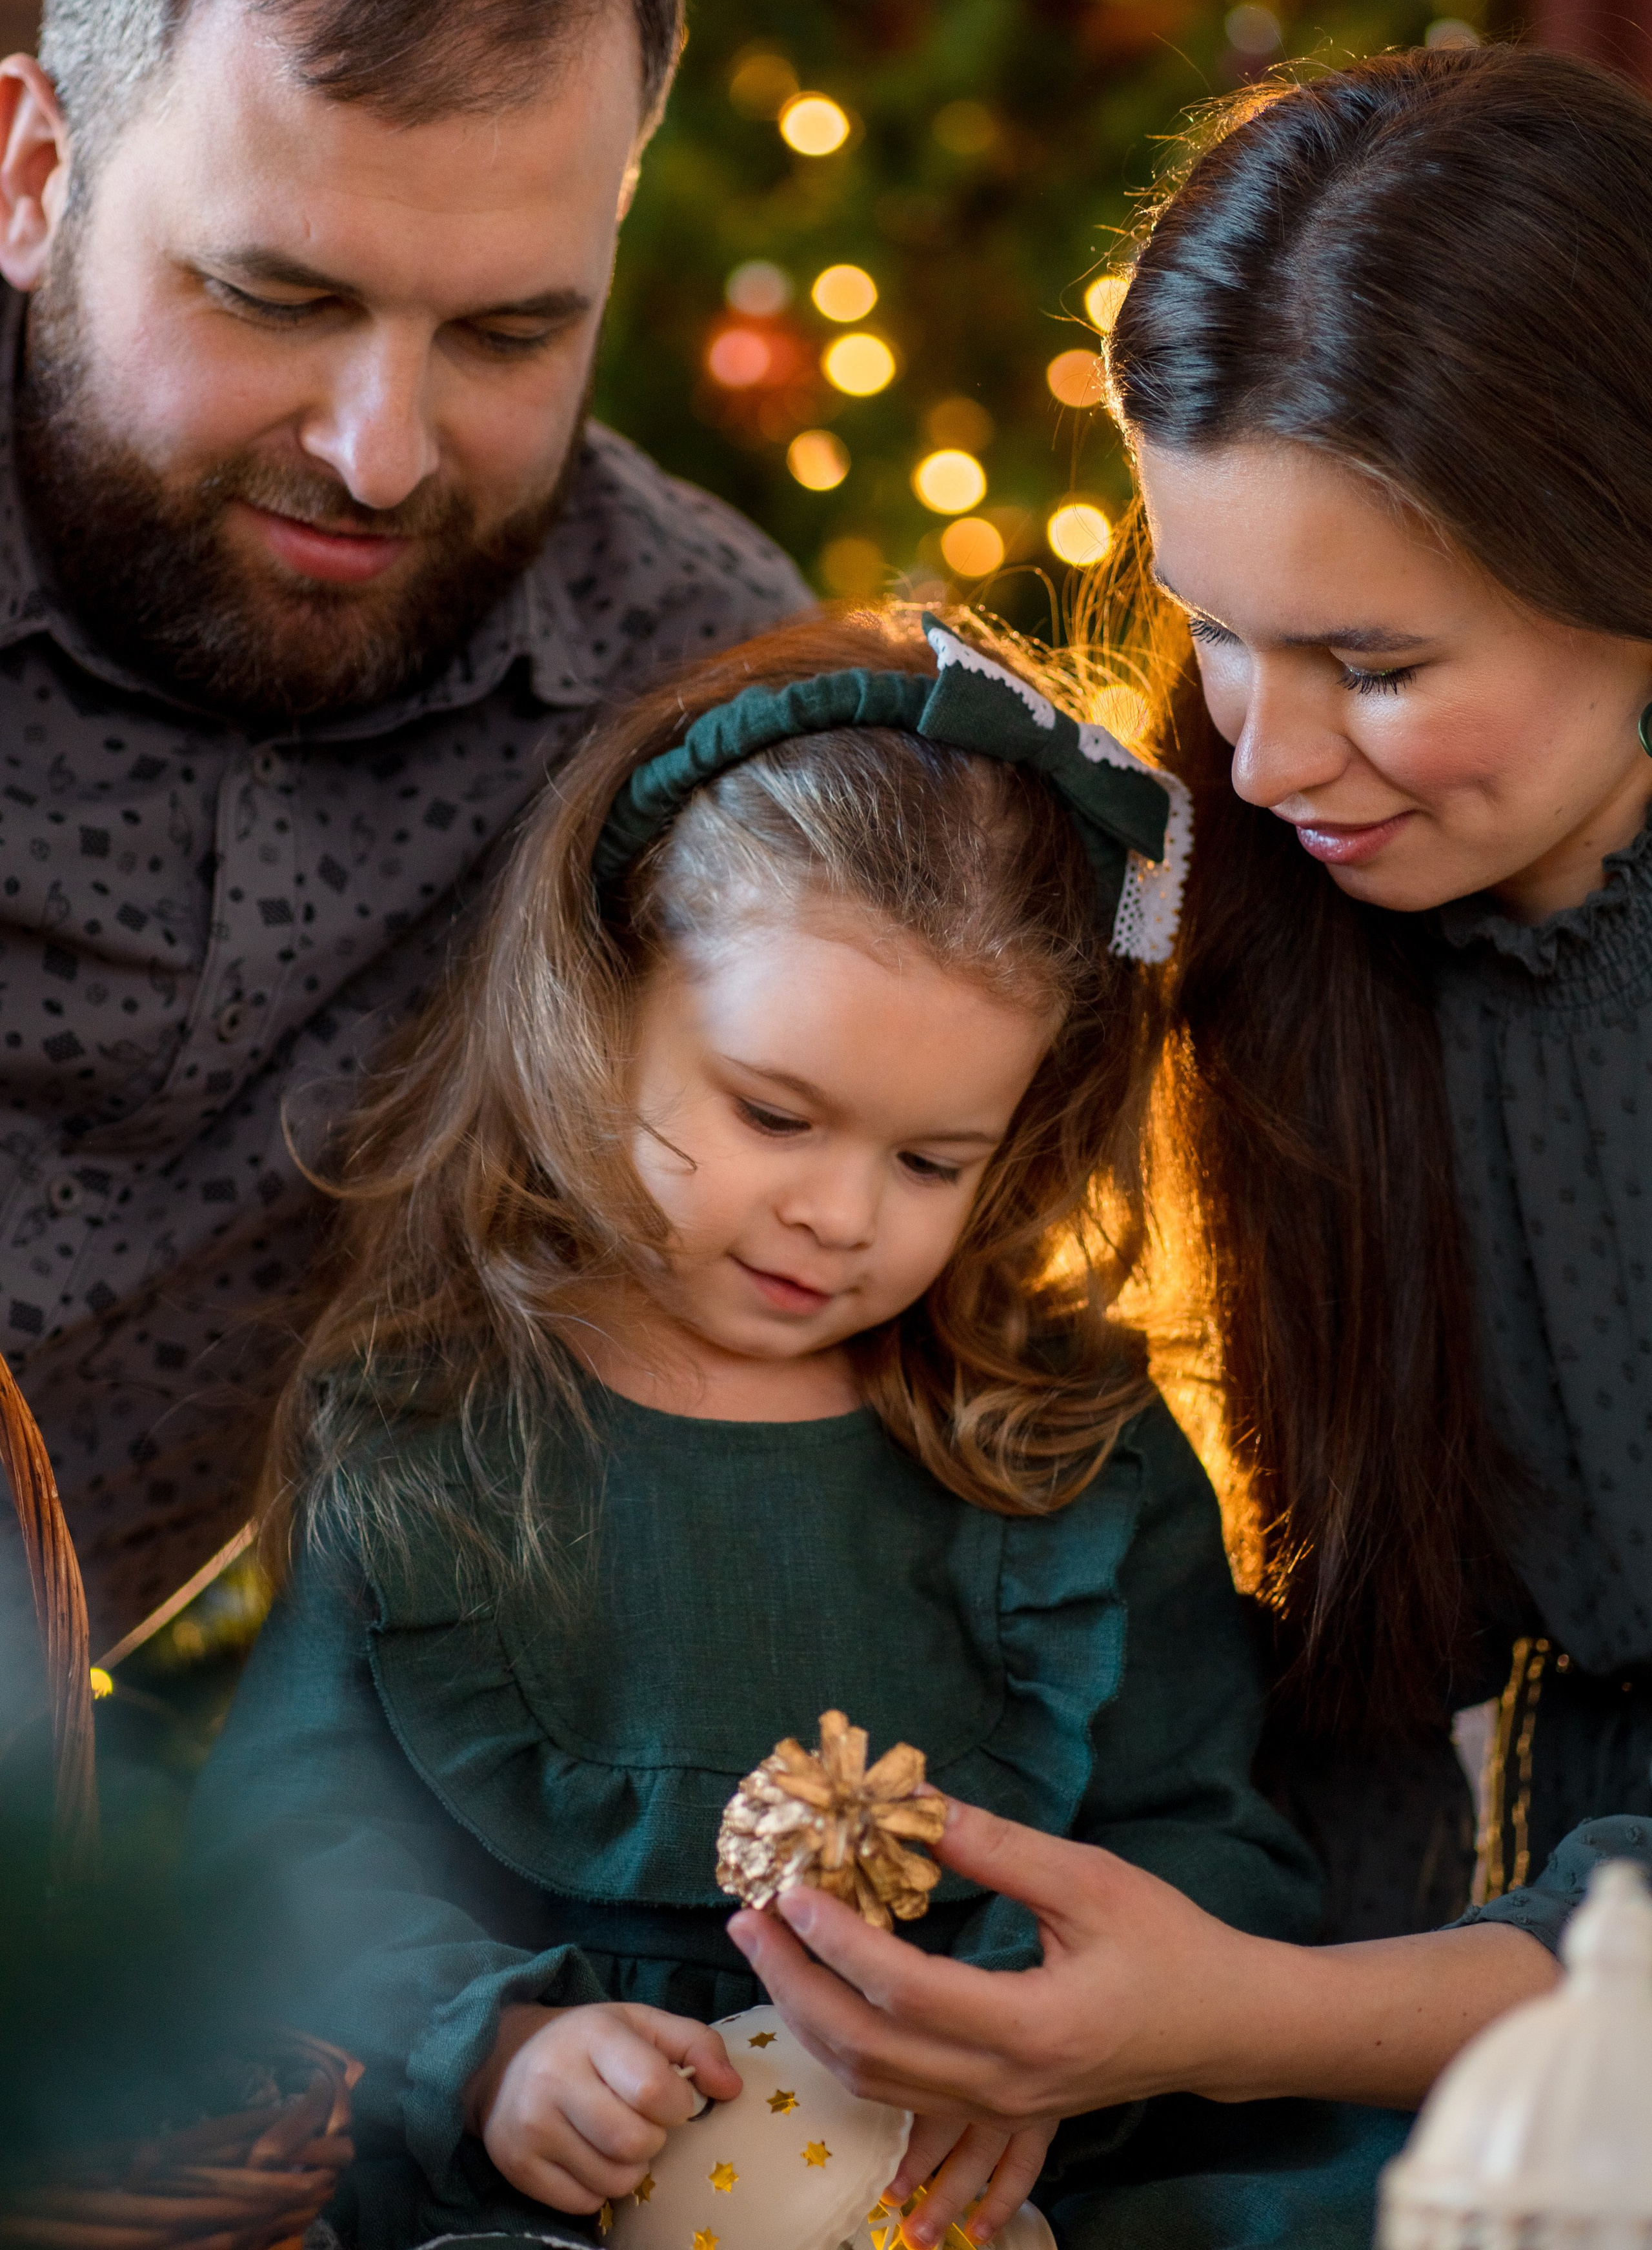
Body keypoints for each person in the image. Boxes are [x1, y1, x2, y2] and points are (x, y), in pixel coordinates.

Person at [727, 45, 1652, 2247]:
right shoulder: (1261, 898)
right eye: (1214, 630)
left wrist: (1242, 2021)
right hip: (1430, 1983)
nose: (1272, 750)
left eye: (1377, 660)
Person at [185, 609, 1318, 2250]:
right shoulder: (438, 1421)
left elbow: (1203, 1838)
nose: (839, 1216)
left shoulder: (1067, 1445)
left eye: (932, 1162)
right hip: (537, 2198)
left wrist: (1038, 2055)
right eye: (774, 1115)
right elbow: (290, 1858)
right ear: (603, 994)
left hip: (966, 2184)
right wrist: (495, 2056)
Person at [0, 0, 812, 1693]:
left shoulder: (688, 693)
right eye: (277, 295)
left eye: (512, 335)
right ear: (34, 178)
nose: (382, 451)